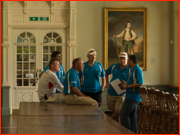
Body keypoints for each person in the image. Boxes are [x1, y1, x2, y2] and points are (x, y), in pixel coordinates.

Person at [120, 55, 143, 133]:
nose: (127, 62)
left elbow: (140, 83)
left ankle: (127, 132)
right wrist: (125, 83)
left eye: (128, 60)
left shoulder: (137, 69)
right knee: (132, 117)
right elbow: (133, 82)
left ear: (132, 61)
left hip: (133, 96)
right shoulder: (132, 70)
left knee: (123, 113)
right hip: (130, 95)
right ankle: (133, 132)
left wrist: (127, 86)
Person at [105, 52, 131, 123]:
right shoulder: (114, 66)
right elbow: (106, 72)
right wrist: (107, 83)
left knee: (117, 112)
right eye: (121, 58)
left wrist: (126, 84)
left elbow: (132, 81)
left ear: (127, 59)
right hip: (111, 92)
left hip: (121, 94)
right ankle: (116, 129)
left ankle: (107, 124)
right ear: (118, 59)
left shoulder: (130, 69)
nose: (122, 60)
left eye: (124, 59)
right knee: (114, 112)